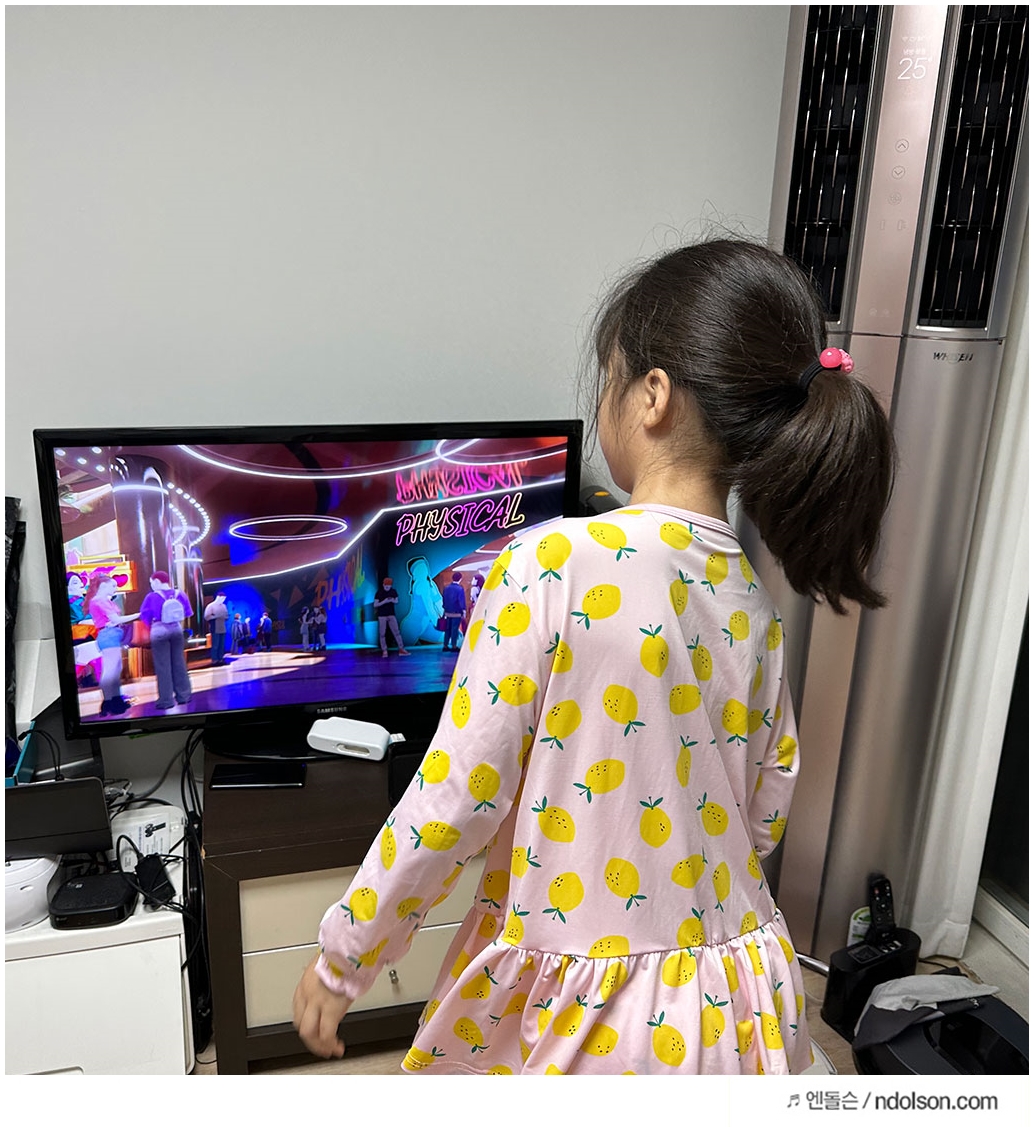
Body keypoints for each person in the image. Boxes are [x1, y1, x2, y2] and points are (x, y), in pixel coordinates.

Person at [292, 238, 895, 1075]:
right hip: (741, 997)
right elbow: (763, 811)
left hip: (592, 1014)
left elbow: (458, 794)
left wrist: (347, 953)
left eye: (608, 376)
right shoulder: (751, 599)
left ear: (653, 395)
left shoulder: (551, 563)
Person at [84, 573, 139, 715]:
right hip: (109, 637)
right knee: (110, 670)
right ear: (104, 585)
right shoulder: (99, 601)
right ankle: (109, 701)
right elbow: (116, 619)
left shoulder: (104, 601)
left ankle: (114, 700)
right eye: (113, 585)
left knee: (115, 669)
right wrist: (139, 615)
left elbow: (113, 620)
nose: (116, 588)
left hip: (112, 635)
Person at [139, 571, 193, 710]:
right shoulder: (180, 594)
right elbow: (188, 613)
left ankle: (166, 700)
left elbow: (144, 616)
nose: (151, 586)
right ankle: (184, 696)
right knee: (179, 662)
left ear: (157, 581)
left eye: (151, 583)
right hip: (177, 629)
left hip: (159, 629)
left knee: (163, 666)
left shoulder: (151, 596)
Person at [373, 577, 409, 657]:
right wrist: (384, 601)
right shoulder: (379, 593)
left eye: (388, 585)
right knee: (382, 633)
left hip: (391, 614)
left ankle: (401, 649)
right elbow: (375, 604)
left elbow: (396, 601)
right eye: (386, 585)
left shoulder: (393, 591)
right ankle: (384, 650)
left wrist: (392, 600)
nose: (387, 587)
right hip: (382, 615)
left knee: (397, 632)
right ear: (383, 585)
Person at [441, 571, 467, 651]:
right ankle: (454, 646)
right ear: (460, 579)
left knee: (447, 629)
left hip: (447, 612)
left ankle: (445, 645)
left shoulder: (446, 588)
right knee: (454, 629)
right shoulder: (460, 589)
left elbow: (444, 600)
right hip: (456, 613)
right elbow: (461, 601)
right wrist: (464, 611)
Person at [204, 591, 230, 665]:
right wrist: (216, 616)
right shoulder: (211, 606)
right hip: (215, 627)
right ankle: (214, 660)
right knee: (215, 645)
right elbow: (206, 616)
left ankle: (220, 659)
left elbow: (226, 616)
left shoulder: (224, 606)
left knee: (221, 645)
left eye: (224, 599)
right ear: (218, 597)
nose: (223, 600)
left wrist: (224, 616)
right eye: (222, 598)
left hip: (222, 627)